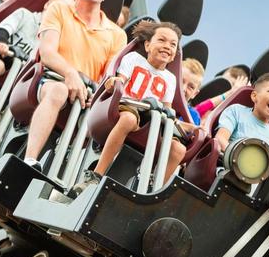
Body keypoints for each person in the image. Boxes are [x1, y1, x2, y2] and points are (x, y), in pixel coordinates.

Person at [23, 0, 127, 167]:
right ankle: (30, 159)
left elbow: (108, 75)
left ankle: (77, 172)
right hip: (51, 79)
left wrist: (95, 94)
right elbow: (47, 52)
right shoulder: (59, 8)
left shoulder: (117, 34)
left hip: (89, 94)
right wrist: (70, 73)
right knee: (59, 91)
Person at [73, 20, 187, 192]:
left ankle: (153, 190)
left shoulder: (170, 79)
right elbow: (120, 80)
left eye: (173, 44)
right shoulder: (134, 59)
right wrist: (114, 81)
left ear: (173, 55)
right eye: (161, 40)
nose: (167, 46)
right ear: (148, 45)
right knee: (128, 119)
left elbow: (167, 109)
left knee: (178, 149)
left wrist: (185, 125)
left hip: (152, 122)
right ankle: (96, 175)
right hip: (126, 109)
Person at [214, 72, 269, 171]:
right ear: (254, 96)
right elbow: (220, 139)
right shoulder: (236, 111)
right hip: (228, 167)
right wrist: (243, 161)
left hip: (256, 177)